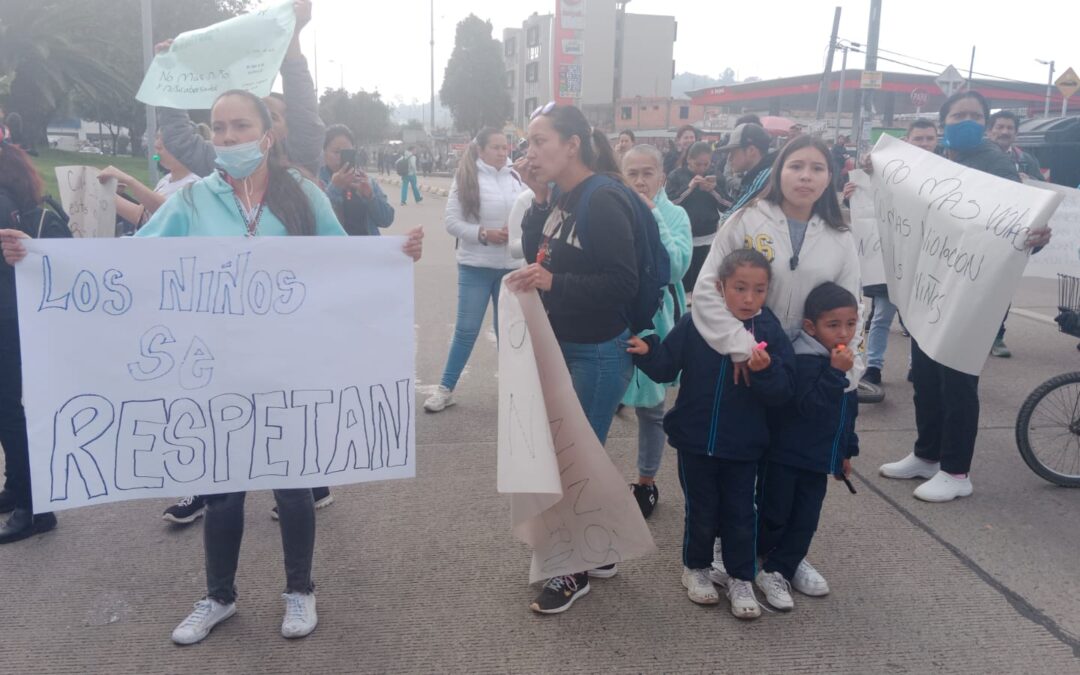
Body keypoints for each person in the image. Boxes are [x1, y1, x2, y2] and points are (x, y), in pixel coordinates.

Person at [0, 89, 423, 642]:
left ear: (267, 133)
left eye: (239, 126)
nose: (226, 138)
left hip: (287, 369)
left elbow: (343, 260)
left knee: (292, 485)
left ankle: (300, 590)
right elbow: (135, 260)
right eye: (218, 128)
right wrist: (42, 257)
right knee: (223, 485)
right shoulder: (194, 200)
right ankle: (219, 595)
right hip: (213, 372)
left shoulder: (303, 195)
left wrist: (395, 256)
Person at [690, 134, 863, 597]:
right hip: (749, 363)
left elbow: (853, 307)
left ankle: (786, 556)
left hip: (807, 373)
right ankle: (735, 547)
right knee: (743, 463)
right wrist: (738, 347)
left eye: (817, 168)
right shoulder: (746, 220)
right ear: (778, 171)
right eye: (796, 166)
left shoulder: (841, 237)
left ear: (830, 178)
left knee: (792, 469)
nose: (806, 176)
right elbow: (708, 287)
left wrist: (845, 369)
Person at [877, 90, 1050, 502]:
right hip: (932, 283)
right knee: (925, 374)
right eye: (959, 114)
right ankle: (927, 454)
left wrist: (1036, 239)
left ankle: (956, 470)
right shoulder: (937, 161)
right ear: (944, 122)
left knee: (956, 379)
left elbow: (1021, 224)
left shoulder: (994, 162)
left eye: (975, 114)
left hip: (968, 289)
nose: (967, 120)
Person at [508, 102, 638, 614]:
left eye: (540, 141)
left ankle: (572, 570)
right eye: (528, 142)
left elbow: (622, 284)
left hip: (597, 352)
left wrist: (554, 282)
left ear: (572, 145)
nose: (530, 151)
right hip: (566, 346)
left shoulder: (603, 198)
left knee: (573, 464)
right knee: (575, 455)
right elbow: (538, 253)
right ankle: (599, 550)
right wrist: (540, 199)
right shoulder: (564, 195)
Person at [628, 248, 794, 619]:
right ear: (720, 287)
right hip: (695, 440)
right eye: (739, 288)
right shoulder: (697, 322)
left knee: (740, 513)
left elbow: (783, 391)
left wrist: (765, 372)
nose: (749, 299)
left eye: (759, 290)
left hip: (744, 445)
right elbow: (667, 364)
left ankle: (739, 577)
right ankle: (697, 568)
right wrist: (647, 350)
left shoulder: (768, 331)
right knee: (702, 511)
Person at [755, 282, 859, 612]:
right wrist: (835, 373)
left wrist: (845, 452)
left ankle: (782, 566)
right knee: (774, 513)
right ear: (811, 327)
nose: (844, 332)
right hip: (786, 456)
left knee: (806, 518)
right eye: (834, 325)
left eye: (851, 324)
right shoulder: (805, 361)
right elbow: (810, 407)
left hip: (818, 460)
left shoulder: (841, 363)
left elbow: (846, 412)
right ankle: (758, 559)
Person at [0, 127, 72, 544]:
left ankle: (35, 506)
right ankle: (18, 489)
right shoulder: (13, 190)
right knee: (10, 408)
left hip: (8, 317)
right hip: (15, 314)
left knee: (10, 411)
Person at [155, 1, 322, 178]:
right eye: (219, 127)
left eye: (271, 117)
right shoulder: (221, 165)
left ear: (290, 129)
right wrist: (171, 75)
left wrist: (293, 35)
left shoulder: (298, 160)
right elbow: (180, 139)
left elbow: (304, 111)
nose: (229, 135)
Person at [424, 128, 524, 412]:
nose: (503, 153)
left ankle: (514, 390)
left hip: (512, 269)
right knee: (466, 330)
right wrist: (484, 234)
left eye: (506, 148)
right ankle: (445, 389)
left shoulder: (517, 177)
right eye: (496, 147)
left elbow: (533, 211)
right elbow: (452, 223)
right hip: (476, 266)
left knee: (508, 332)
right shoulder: (466, 178)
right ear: (480, 150)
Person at [618, 144, 692, 518]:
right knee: (598, 402)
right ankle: (592, 482)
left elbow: (677, 266)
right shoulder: (613, 210)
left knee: (652, 409)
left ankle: (646, 482)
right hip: (616, 320)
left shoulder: (675, 214)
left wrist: (653, 216)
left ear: (662, 176)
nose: (641, 181)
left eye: (648, 173)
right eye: (632, 174)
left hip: (658, 325)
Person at [844, 118, 938, 397]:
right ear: (907, 140)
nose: (923, 143)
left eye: (929, 138)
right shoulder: (886, 168)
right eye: (918, 138)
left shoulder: (945, 174)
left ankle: (916, 365)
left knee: (917, 319)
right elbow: (868, 204)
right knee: (883, 314)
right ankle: (873, 366)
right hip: (889, 259)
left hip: (925, 259)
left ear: (937, 141)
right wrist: (853, 195)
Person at [986, 110, 1044, 358]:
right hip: (982, 229)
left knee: (1003, 288)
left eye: (1010, 128)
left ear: (1016, 133)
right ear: (990, 130)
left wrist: (1028, 180)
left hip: (1011, 234)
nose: (1005, 131)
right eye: (1000, 127)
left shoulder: (1026, 160)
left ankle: (996, 336)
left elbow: (1043, 189)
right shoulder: (980, 156)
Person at [98, 130, 201, 232]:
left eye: (165, 140)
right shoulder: (166, 180)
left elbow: (166, 212)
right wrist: (106, 191)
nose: (157, 144)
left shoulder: (195, 184)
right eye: (157, 137)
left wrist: (127, 181)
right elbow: (142, 214)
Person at [666, 141, 728, 301]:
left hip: (708, 236)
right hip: (683, 236)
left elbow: (727, 206)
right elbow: (669, 204)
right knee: (685, 283)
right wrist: (689, 187)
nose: (702, 168)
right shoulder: (676, 175)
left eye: (705, 164)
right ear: (689, 160)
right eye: (697, 164)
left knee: (703, 280)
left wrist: (713, 190)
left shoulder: (716, 176)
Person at [319, 124, 395, 236]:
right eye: (336, 152)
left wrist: (370, 196)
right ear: (323, 152)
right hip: (334, 251)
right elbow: (316, 221)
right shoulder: (316, 181)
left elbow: (386, 220)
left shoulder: (366, 181)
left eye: (347, 152)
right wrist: (334, 188)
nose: (341, 157)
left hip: (366, 250)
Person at [718, 123, 776, 217]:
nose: (729, 159)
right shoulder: (757, 174)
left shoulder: (765, 175)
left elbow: (729, 218)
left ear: (751, 150)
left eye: (733, 152)